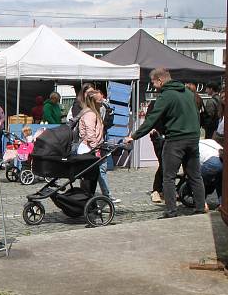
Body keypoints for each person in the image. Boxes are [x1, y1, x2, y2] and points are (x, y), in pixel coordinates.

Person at [124, 68, 205, 218]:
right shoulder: (188, 93)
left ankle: (171, 210)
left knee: (168, 176)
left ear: (160, 80)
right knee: (195, 175)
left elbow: (151, 119)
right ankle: (200, 208)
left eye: (153, 83)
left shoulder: (165, 95)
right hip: (193, 138)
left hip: (175, 140)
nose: (153, 86)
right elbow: (195, 114)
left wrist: (134, 136)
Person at [78, 91, 119, 202]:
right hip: (90, 148)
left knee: (98, 172)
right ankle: (89, 198)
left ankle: (95, 196)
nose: (102, 102)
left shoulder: (94, 112)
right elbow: (90, 134)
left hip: (94, 146)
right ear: (93, 102)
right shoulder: (90, 114)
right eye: (100, 100)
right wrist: (96, 149)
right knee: (93, 175)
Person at [199, 138, 223, 208]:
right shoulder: (210, 141)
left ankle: (202, 204)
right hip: (223, 160)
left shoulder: (193, 145)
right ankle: (222, 204)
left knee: (199, 181)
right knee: (220, 182)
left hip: (212, 162)